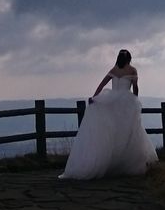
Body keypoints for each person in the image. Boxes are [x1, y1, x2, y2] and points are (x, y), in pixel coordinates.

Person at [60, 49, 159, 179]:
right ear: (129, 58)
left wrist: (95, 96)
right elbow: (135, 87)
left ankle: (109, 161)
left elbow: (102, 84)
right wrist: (135, 98)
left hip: (111, 101)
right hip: (125, 103)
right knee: (128, 131)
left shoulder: (114, 69)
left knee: (112, 132)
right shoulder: (132, 70)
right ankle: (124, 161)